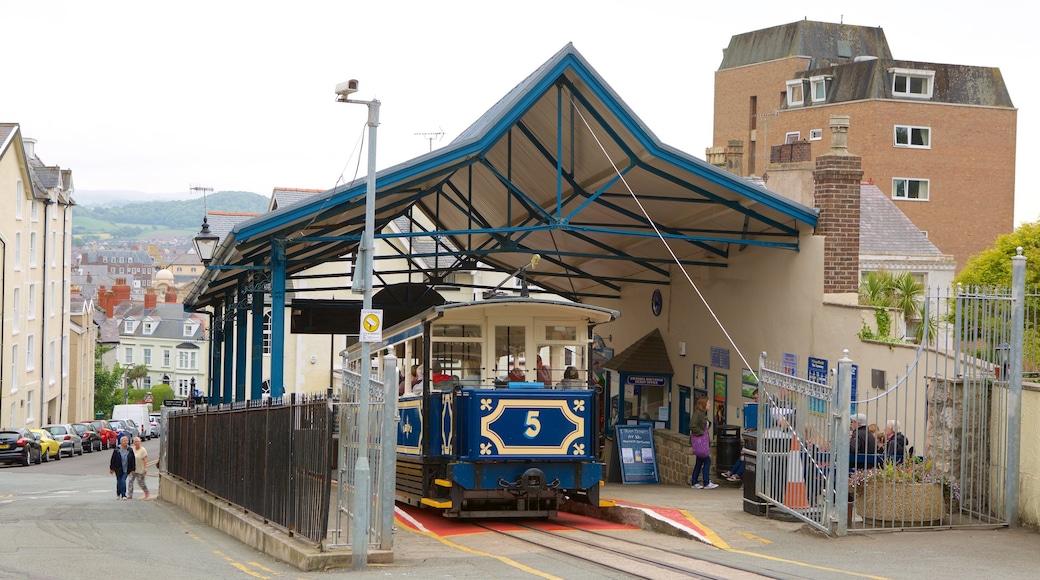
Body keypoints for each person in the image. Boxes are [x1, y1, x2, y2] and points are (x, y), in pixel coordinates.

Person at [690, 397, 718, 489]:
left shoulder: (702, 414)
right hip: (700, 441)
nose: (709, 405)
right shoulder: (697, 414)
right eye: (708, 403)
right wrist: (701, 432)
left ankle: (694, 482)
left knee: (699, 462)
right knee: (707, 461)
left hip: (703, 441)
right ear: (703, 404)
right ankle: (706, 482)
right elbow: (692, 426)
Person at [108, 436, 136, 500]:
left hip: (126, 469)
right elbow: (113, 459)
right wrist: (111, 468)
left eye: (126, 440)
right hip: (118, 468)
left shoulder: (130, 449)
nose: (126, 442)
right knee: (119, 481)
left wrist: (133, 469)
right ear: (121, 442)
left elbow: (133, 460)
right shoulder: (117, 449)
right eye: (124, 441)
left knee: (123, 480)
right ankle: (118, 493)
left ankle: (123, 495)